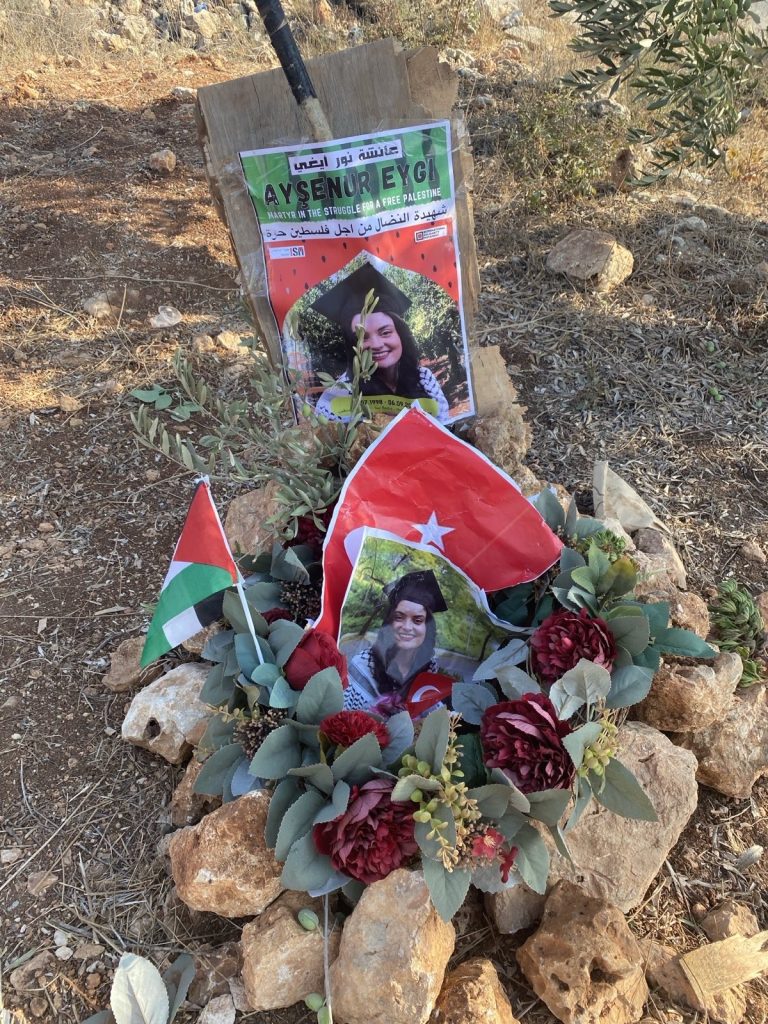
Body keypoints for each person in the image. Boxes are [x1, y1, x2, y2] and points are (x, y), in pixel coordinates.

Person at [310, 262, 450, 423]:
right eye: (362, 337)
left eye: (385, 332)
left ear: (401, 334)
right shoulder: (337, 396)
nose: (376, 344)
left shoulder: (424, 378)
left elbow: (444, 426)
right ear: (352, 345)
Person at [343, 570, 452, 715]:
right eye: (399, 617)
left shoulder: (430, 673)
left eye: (417, 620)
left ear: (428, 628)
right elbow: (343, 718)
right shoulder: (362, 665)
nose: (407, 627)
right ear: (389, 622)